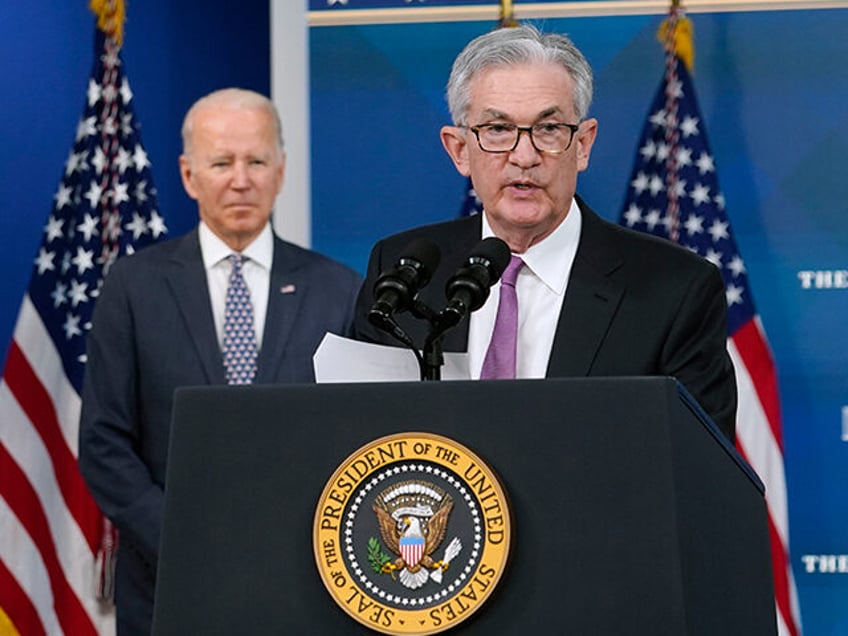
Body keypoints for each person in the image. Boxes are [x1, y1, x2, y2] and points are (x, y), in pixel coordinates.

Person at [352, 24, 737, 440]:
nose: (523, 156)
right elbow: (359, 436)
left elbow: (696, 470)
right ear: (459, 150)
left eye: (548, 129)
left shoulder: (674, 290)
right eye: (498, 129)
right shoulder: (401, 274)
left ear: (583, 144)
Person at [78, 88, 362, 634]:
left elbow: (354, 436)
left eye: (256, 161)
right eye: (221, 162)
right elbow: (103, 442)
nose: (241, 179)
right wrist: (183, 541)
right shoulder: (133, 287)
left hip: (305, 586)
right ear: (189, 175)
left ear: (280, 171)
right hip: (166, 586)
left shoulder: (339, 290)